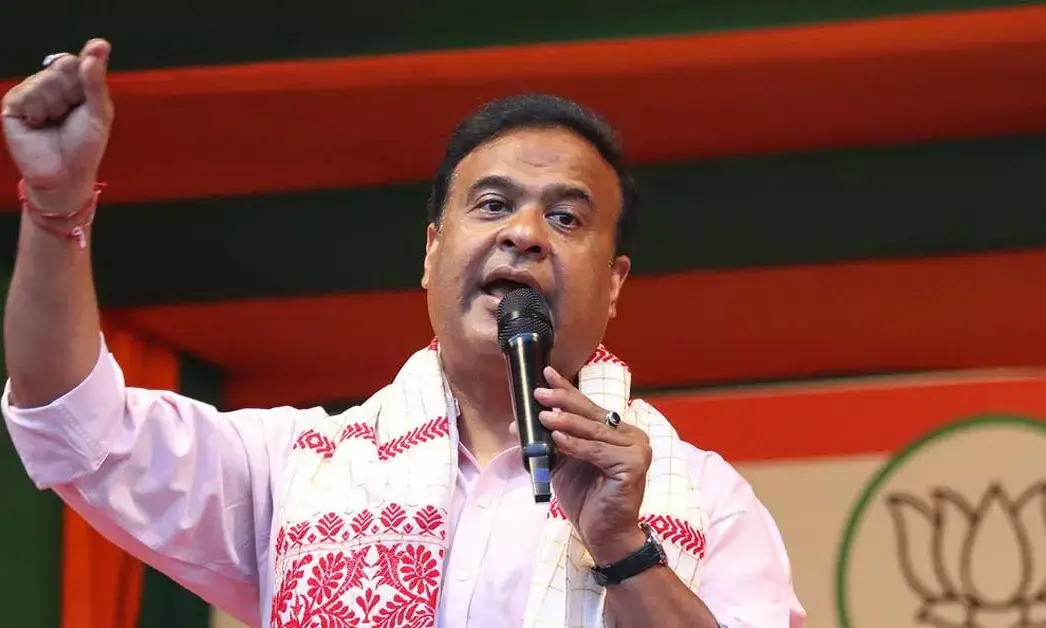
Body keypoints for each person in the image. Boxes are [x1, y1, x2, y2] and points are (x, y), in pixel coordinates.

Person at [1, 39, 805, 628]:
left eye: (566, 218)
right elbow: (73, 422)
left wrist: (627, 550)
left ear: (616, 282)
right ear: (430, 253)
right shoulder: (297, 473)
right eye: (493, 205)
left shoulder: (704, 498)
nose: (525, 234)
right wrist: (56, 206)